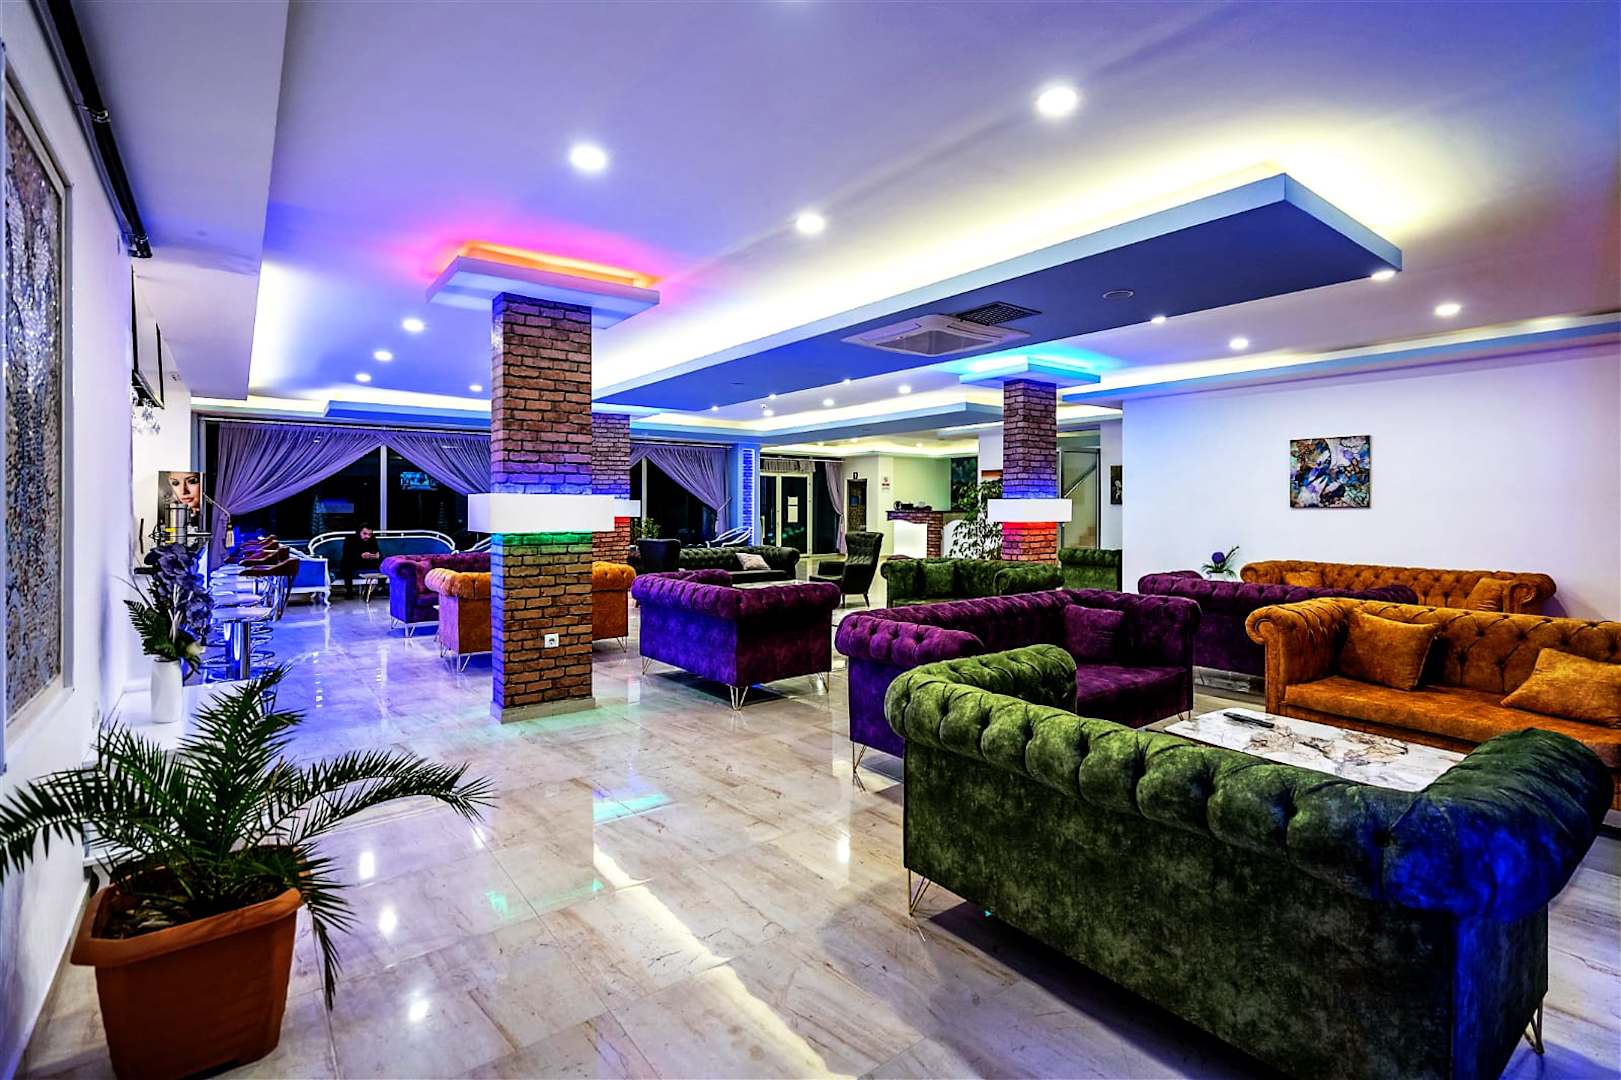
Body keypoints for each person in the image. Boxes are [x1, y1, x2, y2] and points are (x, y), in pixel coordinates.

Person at [340, 523, 382, 598]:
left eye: (370, 534)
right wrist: (360, 556)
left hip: (368, 561)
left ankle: (380, 587)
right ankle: (349, 591)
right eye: (365, 534)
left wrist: (376, 555)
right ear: (359, 532)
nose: (367, 536)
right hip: (353, 561)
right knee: (345, 564)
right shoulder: (350, 539)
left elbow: (376, 551)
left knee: (384, 562)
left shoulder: (372, 539)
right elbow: (347, 555)